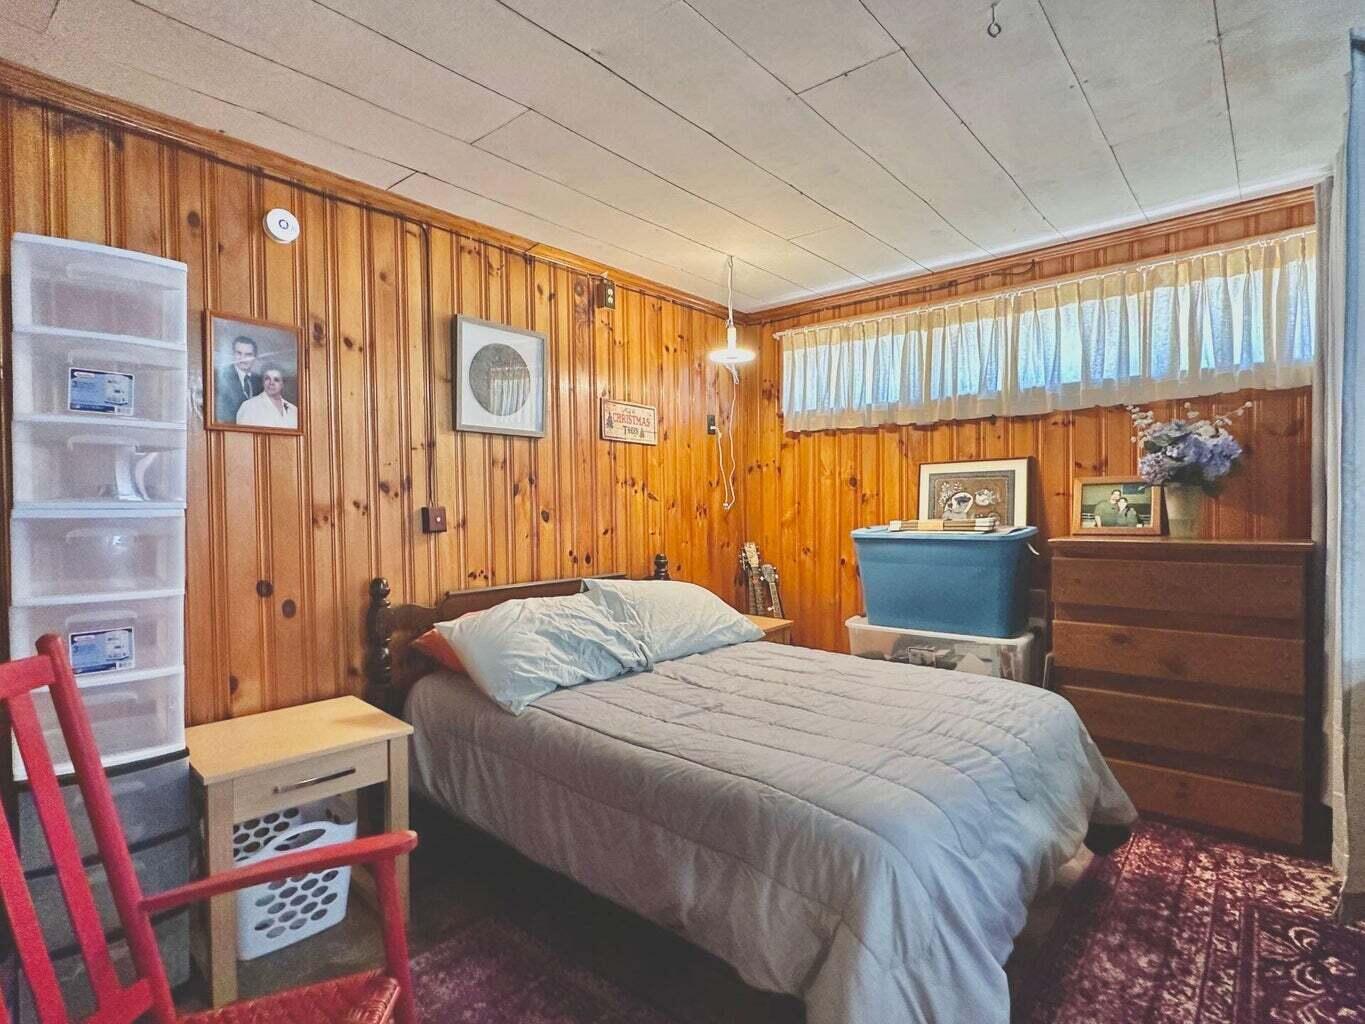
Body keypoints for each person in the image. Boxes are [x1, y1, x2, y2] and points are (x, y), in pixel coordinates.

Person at [215, 335, 261, 423]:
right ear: (233, 354)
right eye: (239, 353)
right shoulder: (221, 377)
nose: (243, 359)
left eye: (248, 355)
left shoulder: (259, 381)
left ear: (255, 357)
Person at [235, 364, 298, 428]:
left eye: (276, 380)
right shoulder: (249, 406)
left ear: (282, 384)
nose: (271, 383)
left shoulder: (293, 410)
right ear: (263, 382)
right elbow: (242, 436)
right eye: (267, 379)